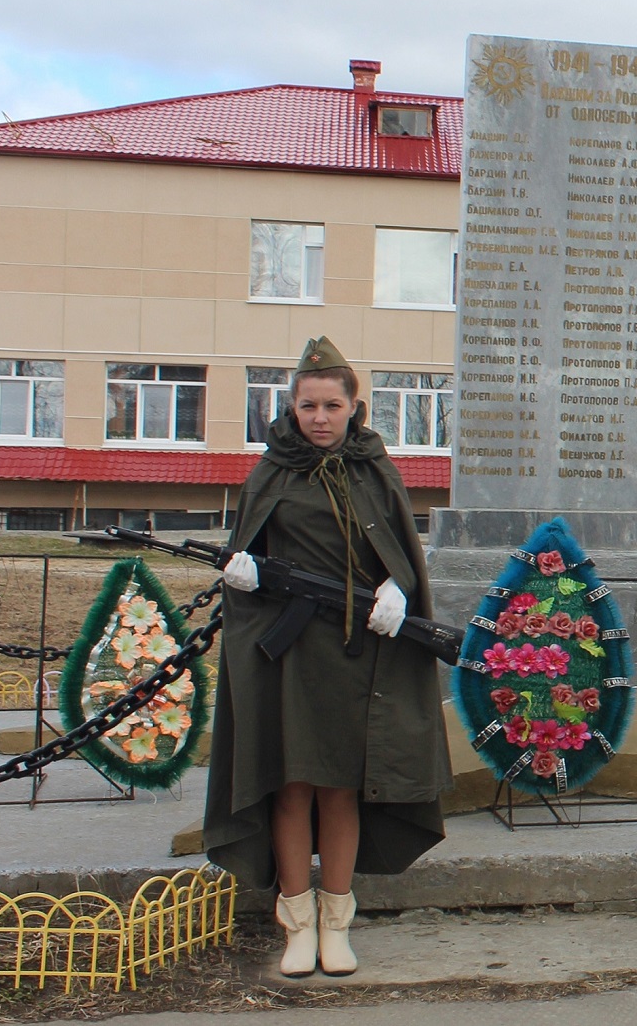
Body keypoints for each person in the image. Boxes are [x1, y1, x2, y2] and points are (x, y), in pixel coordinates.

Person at [203, 336, 451, 978]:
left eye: (331, 405)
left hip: (354, 652)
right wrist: (246, 573)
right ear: (290, 407)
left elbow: (400, 549)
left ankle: (337, 922)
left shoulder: (374, 467)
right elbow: (247, 550)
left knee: (340, 789)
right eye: (308, 405)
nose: (319, 417)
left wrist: (398, 586)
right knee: (291, 788)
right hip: (286, 657)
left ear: (353, 407)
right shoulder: (271, 471)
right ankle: (297, 923)